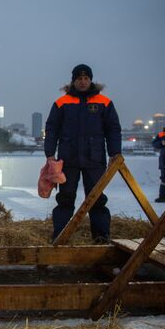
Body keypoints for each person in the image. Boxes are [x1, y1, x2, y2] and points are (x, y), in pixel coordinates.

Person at [44, 64, 121, 244]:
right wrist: (49, 153)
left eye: (86, 78)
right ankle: (60, 236)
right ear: (74, 80)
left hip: (95, 158)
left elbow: (113, 129)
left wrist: (115, 152)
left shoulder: (104, 102)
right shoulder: (61, 103)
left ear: (91, 80)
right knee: (65, 198)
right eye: (79, 78)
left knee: (97, 198)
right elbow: (52, 128)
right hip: (68, 158)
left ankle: (101, 236)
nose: (83, 81)